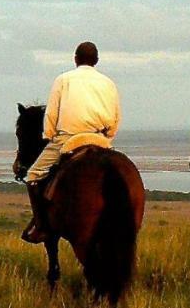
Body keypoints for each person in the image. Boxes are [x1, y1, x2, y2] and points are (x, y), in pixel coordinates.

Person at [21, 41, 121, 243]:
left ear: (75, 59)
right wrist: (107, 137)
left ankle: (41, 226)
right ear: (96, 61)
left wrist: (49, 136)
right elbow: (115, 116)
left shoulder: (63, 80)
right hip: (99, 137)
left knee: (32, 175)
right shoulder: (108, 83)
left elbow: (51, 114)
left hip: (68, 137)